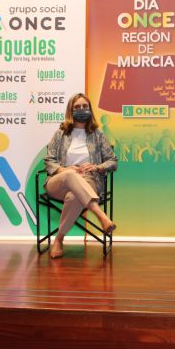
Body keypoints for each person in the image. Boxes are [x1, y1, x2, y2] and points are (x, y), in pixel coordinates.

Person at [44, 93, 118, 258]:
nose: (81, 110)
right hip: (59, 181)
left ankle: (59, 240)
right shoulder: (60, 134)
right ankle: (101, 215)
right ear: (71, 111)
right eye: (77, 107)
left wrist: (97, 167)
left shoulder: (97, 135)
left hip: (88, 180)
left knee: (73, 197)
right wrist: (65, 170)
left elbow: (113, 161)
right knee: (71, 174)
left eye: (85, 106)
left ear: (90, 109)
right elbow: (49, 161)